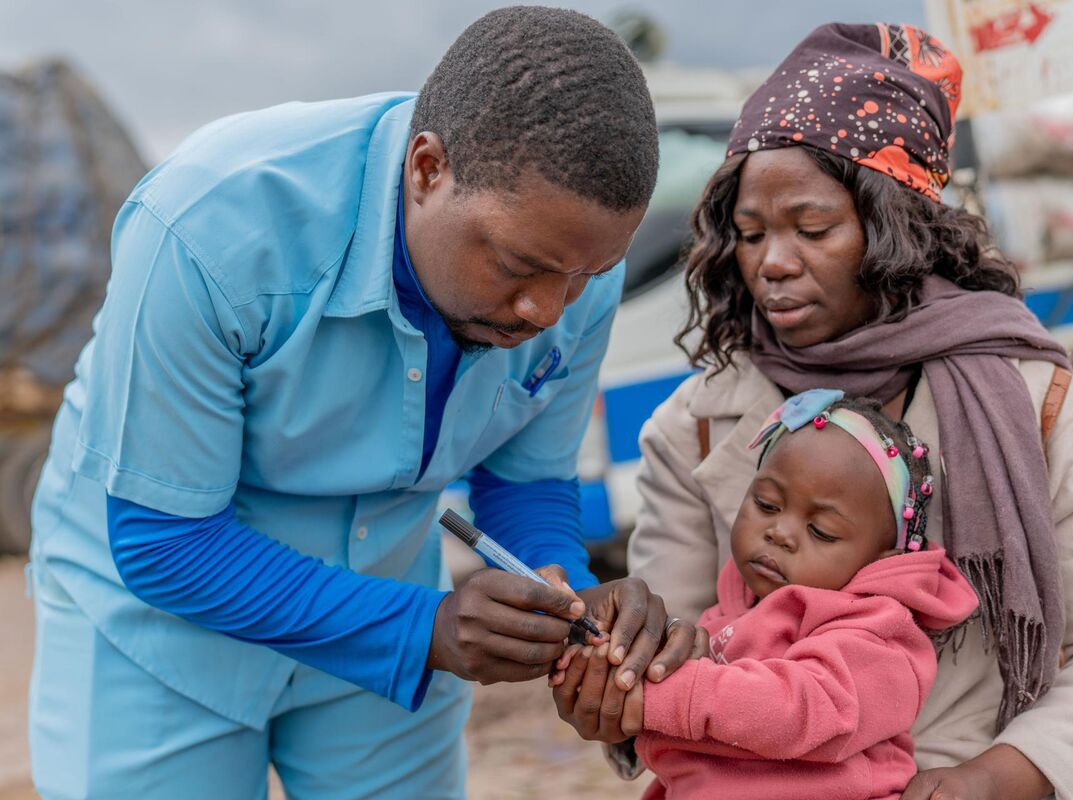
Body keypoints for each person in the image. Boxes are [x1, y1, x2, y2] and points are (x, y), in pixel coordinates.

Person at [26, 7, 699, 799]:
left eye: (584, 278)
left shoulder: (572, 260)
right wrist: (424, 631)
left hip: (387, 595)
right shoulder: (210, 228)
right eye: (519, 266)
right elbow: (164, 541)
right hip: (163, 624)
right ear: (426, 170)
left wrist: (558, 592)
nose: (548, 311)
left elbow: (526, 481)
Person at [553, 21, 1073, 800]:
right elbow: (675, 647)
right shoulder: (700, 425)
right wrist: (617, 696)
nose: (773, 264)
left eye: (812, 229)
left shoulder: (1042, 409)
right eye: (749, 235)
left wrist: (999, 777)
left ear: (894, 230)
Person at [555, 390, 978, 800]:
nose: (780, 533)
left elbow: (803, 710)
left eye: (821, 532)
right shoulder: (728, 611)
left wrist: (664, 694)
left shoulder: (880, 633)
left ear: (880, 559)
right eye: (767, 504)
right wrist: (608, 674)